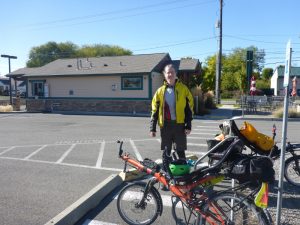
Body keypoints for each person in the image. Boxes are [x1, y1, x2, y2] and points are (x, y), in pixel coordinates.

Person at [150, 63, 194, 160]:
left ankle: (183, 171)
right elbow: (155, 110)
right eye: (168, 72)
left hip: (180, 125)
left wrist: (188, 125)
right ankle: (166, 172)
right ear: (164, 74)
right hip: (165, 125)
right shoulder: (160, 91)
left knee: (180, 150)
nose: (170, 75)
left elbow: (189, 108)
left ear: (175, 73)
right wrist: (152, 128)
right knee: (166, 151)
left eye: (172, 72)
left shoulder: (183, 89)